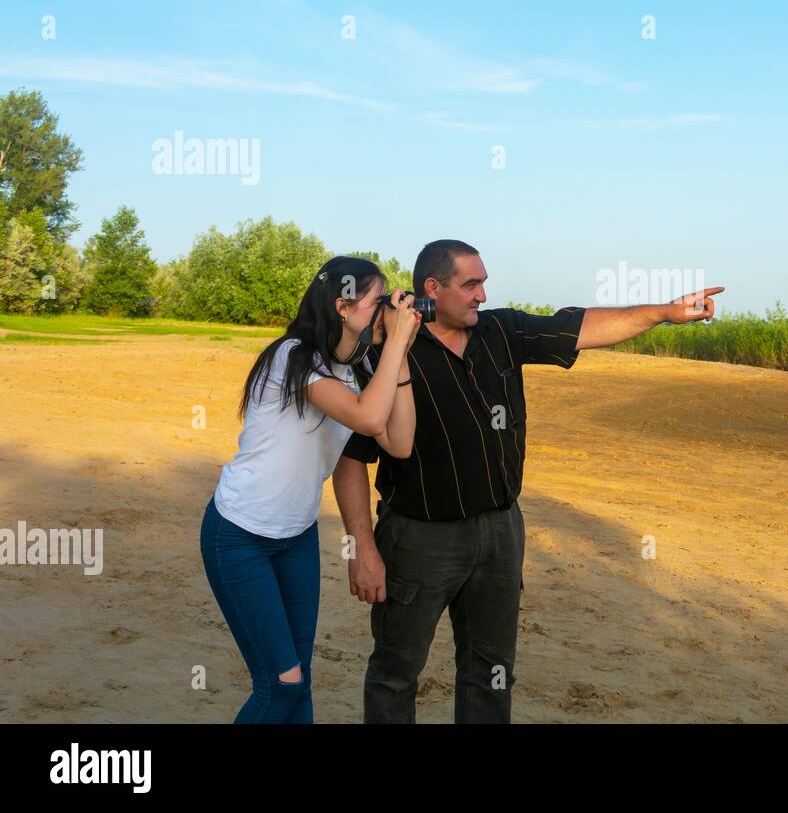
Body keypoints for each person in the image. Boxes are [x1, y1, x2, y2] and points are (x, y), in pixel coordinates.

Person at [332, 239, 724, 723]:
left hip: (500, 532)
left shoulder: (502, 330)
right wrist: (363, 549)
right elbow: (351, 459)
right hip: (418, 538)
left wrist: (664, 312)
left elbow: (583, 326)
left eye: (484, 283)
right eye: (471, 284)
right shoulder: (388, 352)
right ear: (432, 288)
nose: (481, 294)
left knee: (492, 669)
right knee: (396, 671)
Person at [200, 255, 422, 723]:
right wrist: (397, 340)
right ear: (343, 306)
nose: (386, 310)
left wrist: (396, 355)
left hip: (295, 536)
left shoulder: (354, 370)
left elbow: (398, 442)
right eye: (377, 300)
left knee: (300, 681)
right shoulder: (293, 358)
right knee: (280, 686)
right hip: (240, 535)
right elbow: (367, 417)